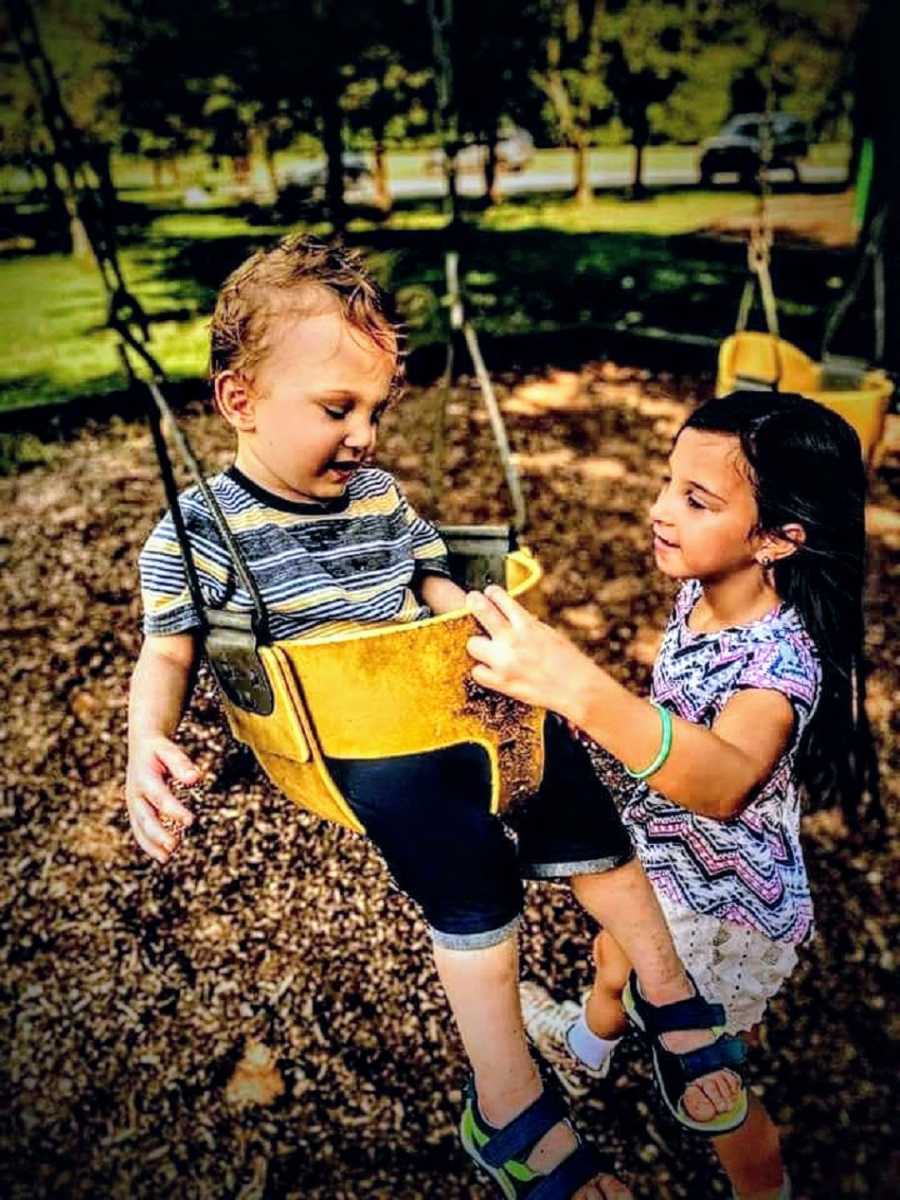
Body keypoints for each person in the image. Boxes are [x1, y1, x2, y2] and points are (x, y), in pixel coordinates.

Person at [126, 235, 748, 1200]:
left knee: (579, 794)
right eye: (338, 409)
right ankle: (505, 1103)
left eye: (377, 409)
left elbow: (429, 572)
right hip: (353, 743)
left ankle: (669, 992)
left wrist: (468, 621)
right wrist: (147, 744)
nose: (366, 434)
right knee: (470, 874)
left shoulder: (374, 492)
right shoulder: (199, 531)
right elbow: (167, 650)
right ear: (239, 401)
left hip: (455, 700)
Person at [465, 389, 873, 1200]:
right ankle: (586, 1043)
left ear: (777, 540)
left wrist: (582, 692)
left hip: (725, 908)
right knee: (615, 954)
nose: (660, 510)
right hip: (665, 864)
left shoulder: (780, 667)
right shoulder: (706, 592)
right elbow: (675, 713)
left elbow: (722, 782)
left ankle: (765, 1188)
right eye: (665, 483)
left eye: (696, 499)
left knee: (719, 1104)